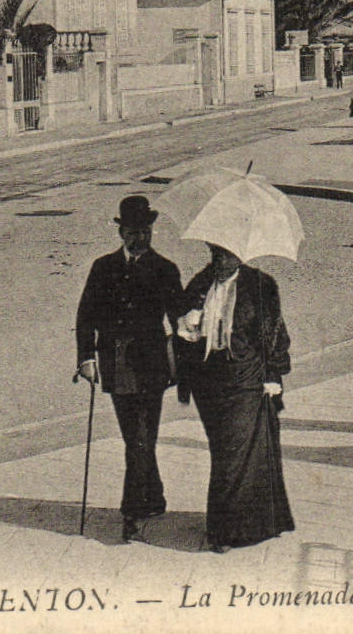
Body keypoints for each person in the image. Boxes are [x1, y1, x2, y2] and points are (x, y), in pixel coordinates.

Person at [75, 195, 186, 542]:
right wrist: (87, 358)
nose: (141, 238)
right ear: (121, 232)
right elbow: (85, 317)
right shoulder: (102, 267)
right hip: (115, 363)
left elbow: (179, 318)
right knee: (135, 439)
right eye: (134, 233)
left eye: (146, 232)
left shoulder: (165, 269)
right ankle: (153, 497)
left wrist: (184, 358)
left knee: (139, 439)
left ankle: (132, 513)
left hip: (152, 366)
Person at [173, 243, 296, 552]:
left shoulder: (260, 285)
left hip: (245, 377)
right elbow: (182, 327)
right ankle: (254, 524)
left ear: (241, 255)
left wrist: (273, 375)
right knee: (223, 450)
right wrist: (187, 325)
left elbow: (275, 334)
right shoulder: (201, 284)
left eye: (226, 255)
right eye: (215, 254)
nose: (220, 261)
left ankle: (223, 532)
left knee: (233, 452)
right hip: (208, 380)